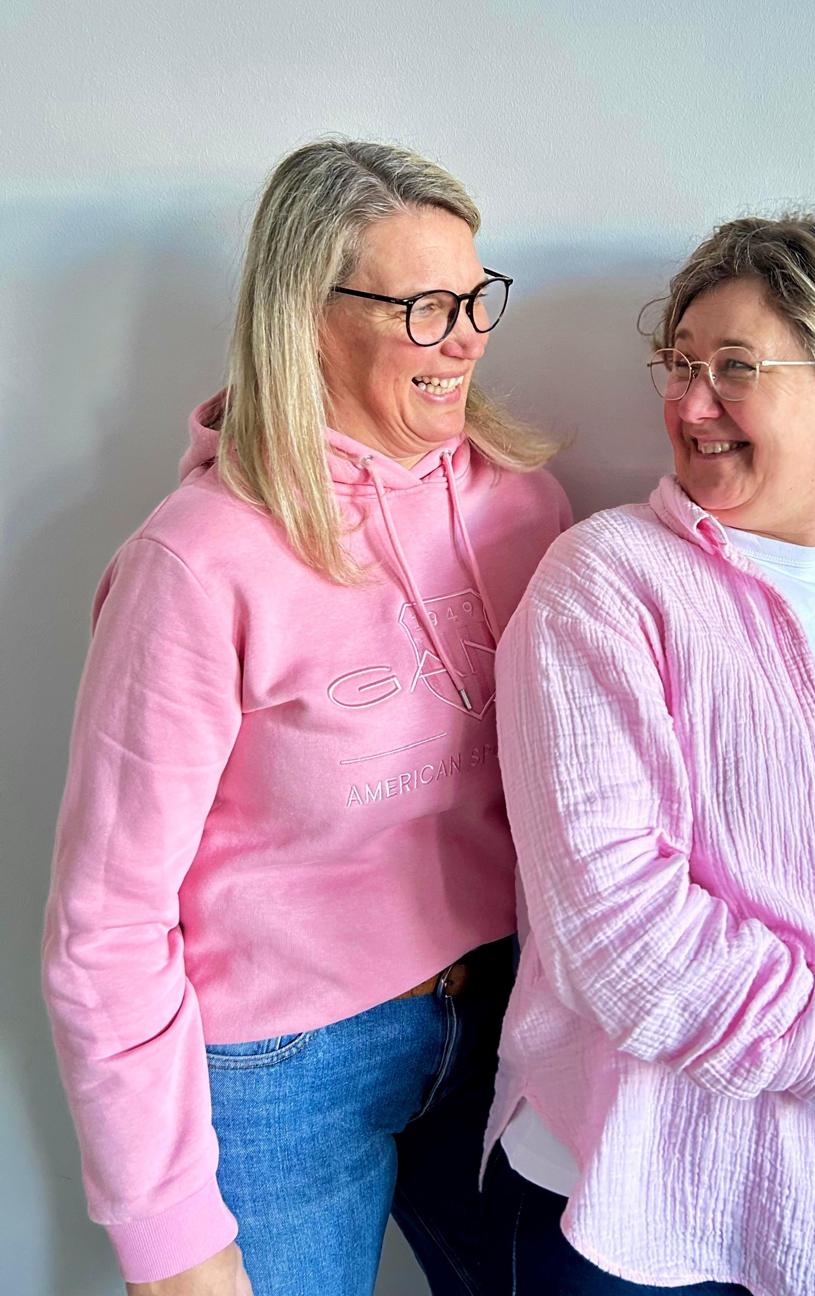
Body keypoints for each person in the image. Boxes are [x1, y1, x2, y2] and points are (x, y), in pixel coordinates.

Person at [42, 139, 570, 1296]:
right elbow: (105, 922)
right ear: (308, 320)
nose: (468, 337)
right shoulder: (197, 564)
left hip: (501, 1016)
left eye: (475, 296)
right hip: (284, 1069)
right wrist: (170, 1242)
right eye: (426, 307)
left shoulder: (523, 504)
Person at [482, 213, 815, 1296]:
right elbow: (611, 926)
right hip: (639, 1205)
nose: (690, 404)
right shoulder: (604, 584)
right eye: (681, 363)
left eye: (735, 367)